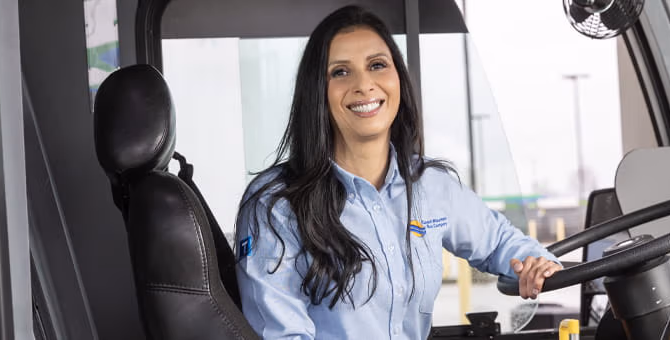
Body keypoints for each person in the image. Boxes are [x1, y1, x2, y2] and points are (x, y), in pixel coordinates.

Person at [235, 5, 562, 339]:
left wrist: (534, 264)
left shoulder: (430, 186)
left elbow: (501, 245)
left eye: (377, 65)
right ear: (317, 90)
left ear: (398, 79)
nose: (364, 84)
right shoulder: (275, 205)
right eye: (340, 72)